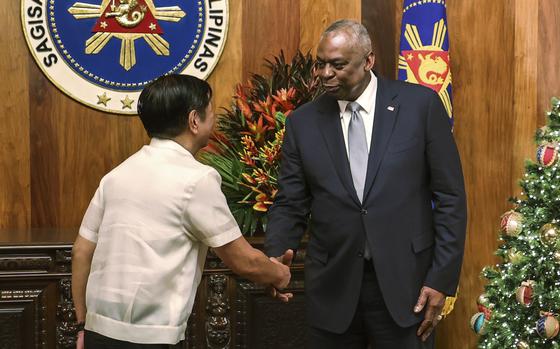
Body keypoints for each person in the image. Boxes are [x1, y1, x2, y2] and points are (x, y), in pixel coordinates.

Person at [265, 19, 467, 348]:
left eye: (338, 64)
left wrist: (441, 278)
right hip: (333, 287)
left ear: (368, 60)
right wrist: (274, 256)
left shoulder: (419, 107)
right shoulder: (302, 123)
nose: (325, 74)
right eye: (321, 63)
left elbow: (450, 198)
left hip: (407, 286)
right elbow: (290, 202)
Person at [71, 74, 293, 349]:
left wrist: (82, 326)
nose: (213, 119)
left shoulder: (116, 175)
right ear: (194, 121)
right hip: (150, 340)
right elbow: (243, 260)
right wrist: (280, 275)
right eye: (210, 112)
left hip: (96, 333)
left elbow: (81, 251)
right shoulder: (198, 179)